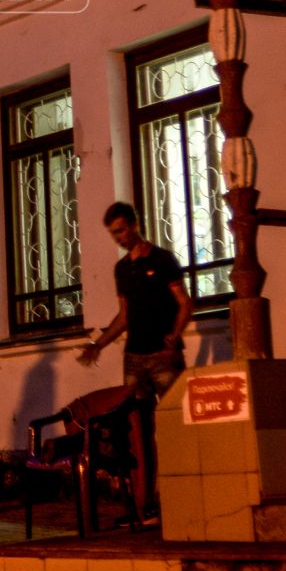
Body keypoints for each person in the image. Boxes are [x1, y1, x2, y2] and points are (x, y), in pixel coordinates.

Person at [75, 201, 193, 525]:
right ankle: (146, 505)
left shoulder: (163, 260)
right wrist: (98, 345)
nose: (119, 238)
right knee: (137, 433)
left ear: (135, 225)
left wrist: (174, 335)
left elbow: (185, 303)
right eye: (113, 234)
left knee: (173, 424)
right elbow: (124, 317)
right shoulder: (122, 270)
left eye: (122, 231)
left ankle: (182, 497)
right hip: (135, 358)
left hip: (163, 356)